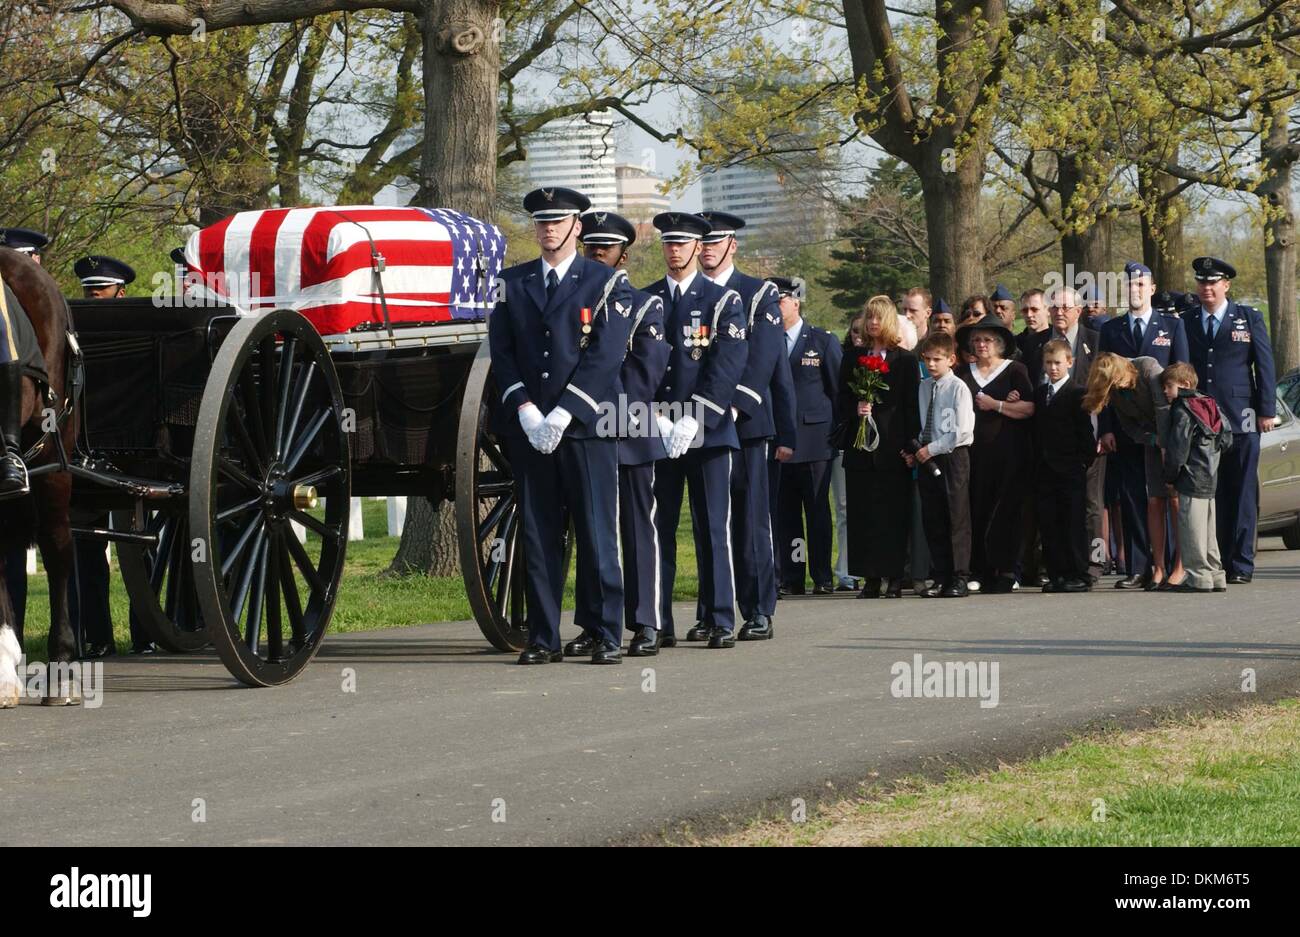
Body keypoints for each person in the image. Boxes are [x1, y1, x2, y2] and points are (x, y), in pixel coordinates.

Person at [487, 187, 634, 665]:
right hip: (531, 428)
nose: (548, 229)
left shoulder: (605, 282)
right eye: (542, 222)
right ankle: (544, 637)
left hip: (586, 426)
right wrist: (525, 409)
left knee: (596, 532)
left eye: (558, 221)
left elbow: (606, 355)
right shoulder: (512, 282)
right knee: (538, 534)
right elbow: (503, 355)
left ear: (577, 226)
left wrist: (566, 410)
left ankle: (607, 632)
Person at [644, 212, 747, 649]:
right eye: (668, 243)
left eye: (683, 243)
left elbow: (726, 366)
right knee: (657, 529)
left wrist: (693, 417)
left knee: (713, 528)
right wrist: (660, 418)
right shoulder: (645, 299)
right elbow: (637, 366)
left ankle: (721, 617)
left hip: (707, 431)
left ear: (697, 246)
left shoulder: (723, 301)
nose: (675, 250)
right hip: (657, 430)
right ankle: (657, 620)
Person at [574, 210, 668, 657]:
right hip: (586, 431)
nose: (596, 253)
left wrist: (589, 402)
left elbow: (643, 375)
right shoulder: (572, 300)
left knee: (636, 531)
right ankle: (593, 623)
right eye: (590, 246)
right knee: (593, 533)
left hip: (627, 430)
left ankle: (646, 622)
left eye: (605, 248)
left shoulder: (645, 305)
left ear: (623, 254)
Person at [697, 209, 794, 641]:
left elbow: (764, 360)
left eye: (715, 241)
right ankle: (710, 610)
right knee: (709, 521)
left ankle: (758, 608)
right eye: (702, 242)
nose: (707, 249)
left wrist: (731, 408)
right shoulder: (691, 293)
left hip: (745, 421)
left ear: (732, 245)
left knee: (751, 519)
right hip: (699, 421)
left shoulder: (758, 294)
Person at [68, 255, 145, 657]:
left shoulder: (139, 325)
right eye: (88, 290)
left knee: (141, 551)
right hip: (87, 447)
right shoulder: (69, 326)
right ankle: (96, 637)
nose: (93, 295)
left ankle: (147, 635)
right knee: (86, 549)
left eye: (101, 289)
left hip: (140, 447)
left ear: (121, 292)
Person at [1185, 256, 1276, 584]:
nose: (1206, 288)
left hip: (1242, 418)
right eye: (1202, 282)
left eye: (1213, 282)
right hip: (1202, 421)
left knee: (1242, 493)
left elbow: (1263, 365)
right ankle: (1218, 557)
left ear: (1226, 285)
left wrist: (1266, 410)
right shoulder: (1187, 320)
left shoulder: (1247, 318)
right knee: (1214, 491)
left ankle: (1241, 563)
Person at [1098, 261, 1189, 589]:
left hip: (1165, 428)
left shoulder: (1172, 327)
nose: (1135, 290)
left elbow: (1183, 377)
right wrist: (1106, 427)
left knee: (1168, 496)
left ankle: (1174, 562)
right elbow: (1103, 383)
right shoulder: (1111, 330)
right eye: (1130, 285)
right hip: (1128, 426)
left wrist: (1178, 430)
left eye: (1141, 285)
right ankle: (1139, 566)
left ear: (1152, 289)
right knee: (1134, 496)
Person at [838, 296, 919, 598]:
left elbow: (910, 407)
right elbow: (840, 397)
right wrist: (855, 407)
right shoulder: (853, 357)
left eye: (878, 317)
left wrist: (910, 445)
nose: (872, 323)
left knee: (892, 514)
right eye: (868, 317)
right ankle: (870, 577)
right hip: (860, 450)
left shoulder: (906, 360)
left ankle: (894, 576)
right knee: (863, 513)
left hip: (892, 448)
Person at [956, 319, 1035, 593]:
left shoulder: (1015, 370)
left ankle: (1008, 569)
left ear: (999, 343)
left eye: (988, 340)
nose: (981, 344)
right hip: (973, 454)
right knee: (976, 510)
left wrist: (997, 405)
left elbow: (1029, 408)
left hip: (1009, 454)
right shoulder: (963, 373)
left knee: (1008, 511)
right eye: (977, 340)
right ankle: (980, 569)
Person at [774, 276, 840, 596]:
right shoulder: (767, 340)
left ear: (796, 303)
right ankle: (793, 574)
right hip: (780, 442)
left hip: (815, 441)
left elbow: (837, 389)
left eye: (780, 300)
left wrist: (838, 435)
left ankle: (822, 575)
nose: (775, 307)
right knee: (787, 516)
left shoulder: (822, 340)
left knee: (816, 511)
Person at [1082, 351, 1170, 590]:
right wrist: (1152, 440)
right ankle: (1143, 569)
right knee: (1141, 502)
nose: (1116, 389)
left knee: (1169, 501)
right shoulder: (1114, 391)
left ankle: (1172, 567)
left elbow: (1164, 409)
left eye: (1115, 382)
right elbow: (1128, 425)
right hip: (1144, 442)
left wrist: (1164, 446)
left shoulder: (1148, 368)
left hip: (1172, 440)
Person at [903, 331, 974, 598]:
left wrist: (931, 449)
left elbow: (963, 431)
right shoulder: (924, 387)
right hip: (927, 455)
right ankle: (941, 575)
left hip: (952, 456)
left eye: (937, 359)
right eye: (927, 359)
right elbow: (923, 424)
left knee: (955, 516)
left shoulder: (958, 388)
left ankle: (960, 576)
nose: (931, 364)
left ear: (951, 359)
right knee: (933, 517)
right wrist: (918, 449)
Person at [1160, 363, 1232, 594]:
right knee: (1208, 530)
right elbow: (1227, 438)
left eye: (1169, 386)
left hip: (1191, 476)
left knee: (1192, 529)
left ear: (1185, 385)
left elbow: (1178, 448)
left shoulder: (1183, 408)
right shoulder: (1209, 403)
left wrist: (1170, 475)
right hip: (1210, 474)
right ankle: (1215, 574)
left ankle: (1198, 577)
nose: (1165, 392)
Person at [1033, 340, 1096, 592]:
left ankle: (1078, 573)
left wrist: (1082, 461)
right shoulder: (1039, 394)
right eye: (1048, 363)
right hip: (1045, 468)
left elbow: (1085, 433)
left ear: (1070, 362)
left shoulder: (1077, 392)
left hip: (1070, 468)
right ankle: (1057, 573)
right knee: (1050, 522)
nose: (1053, 368)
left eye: (1058, 363)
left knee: (1073, 522)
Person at [1015, 288, 1051, 362]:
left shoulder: (1057, 340)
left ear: (1048, 310)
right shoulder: (1015, 344)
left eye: (1034, 309)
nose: (1029, 315)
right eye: (1025, 310)